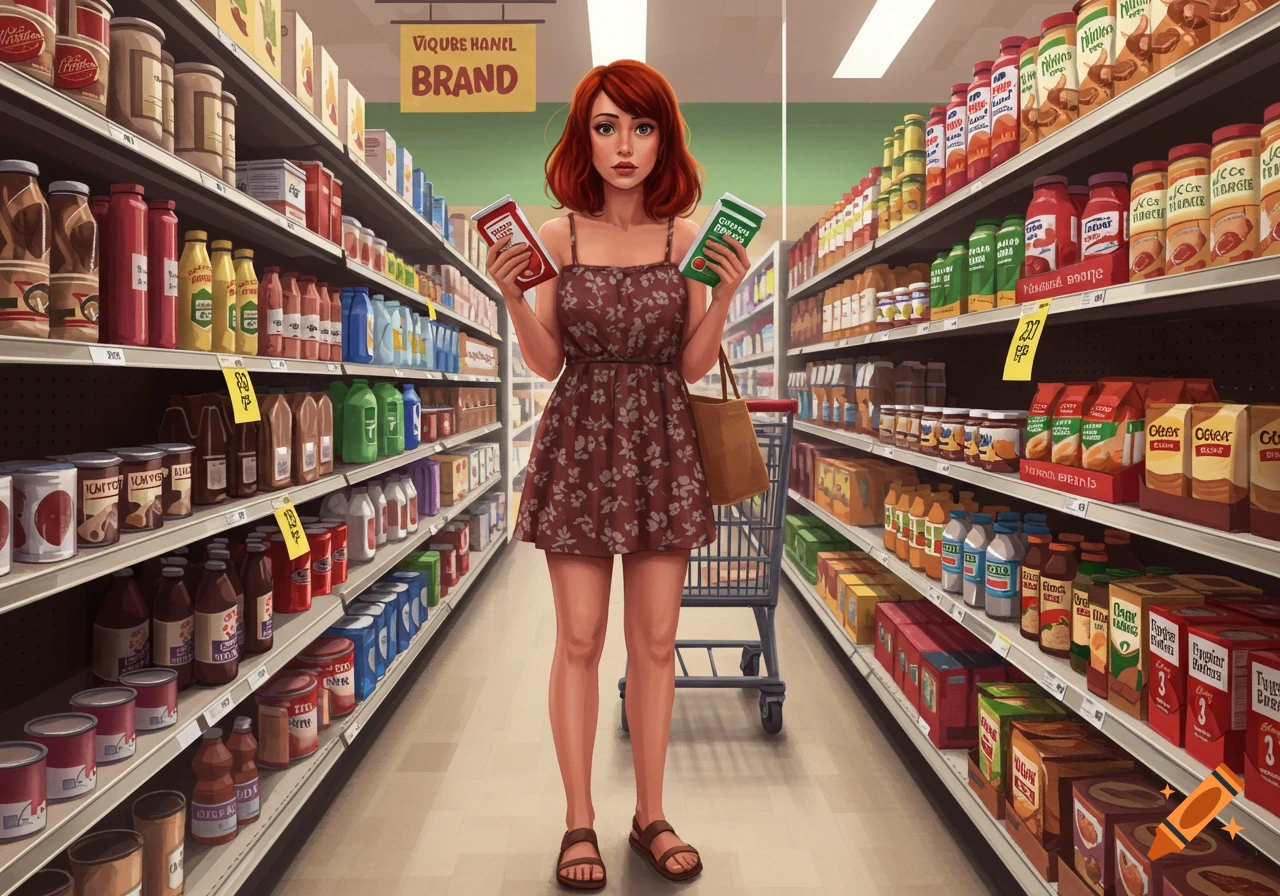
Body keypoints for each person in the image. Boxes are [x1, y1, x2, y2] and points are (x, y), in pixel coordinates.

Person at [486, 59, 750, 889]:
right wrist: (514, 303)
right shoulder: (556, 235)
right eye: (607, 127)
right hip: (580, 438)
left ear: (664, 137)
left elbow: (693, 363)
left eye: (641, 127)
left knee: (657, 642)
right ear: (585, 138)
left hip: (664, 439)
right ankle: (577, 821)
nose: (624, 145)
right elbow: (550, 361)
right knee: (579, 638)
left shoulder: (689, 234)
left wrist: (724, 299)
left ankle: (651, 814)